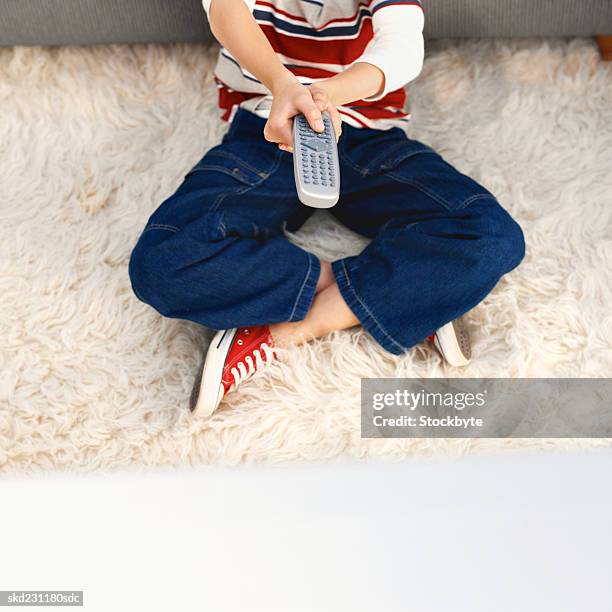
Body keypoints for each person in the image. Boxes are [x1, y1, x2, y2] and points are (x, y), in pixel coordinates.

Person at [128, 0, 525, 417]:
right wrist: (284, 87)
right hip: (266, 129)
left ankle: (285, 331)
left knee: (492, 235)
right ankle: (406, 288)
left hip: (369, 136)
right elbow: (227, 13)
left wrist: (324, 96)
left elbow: (401, 47)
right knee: (162, 262)